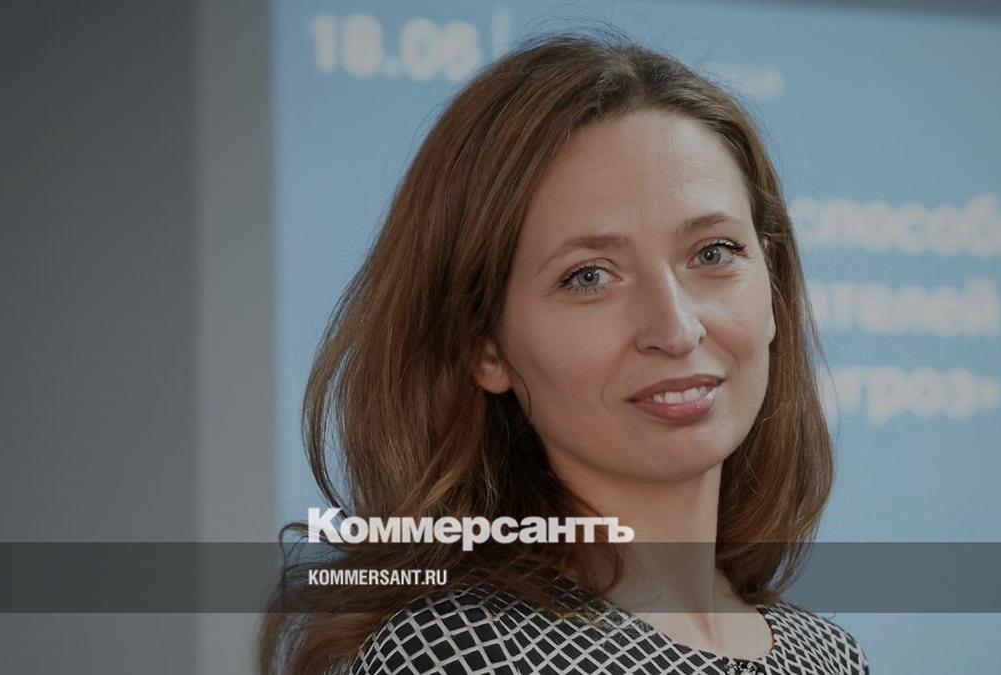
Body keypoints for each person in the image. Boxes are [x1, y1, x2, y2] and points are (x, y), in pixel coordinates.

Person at [258, 27, 870, 675]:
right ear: (484, 347)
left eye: (713, 253)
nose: (676, 327)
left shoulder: (827, 654)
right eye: (589, 276)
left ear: (773, 283)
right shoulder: (460, 655)